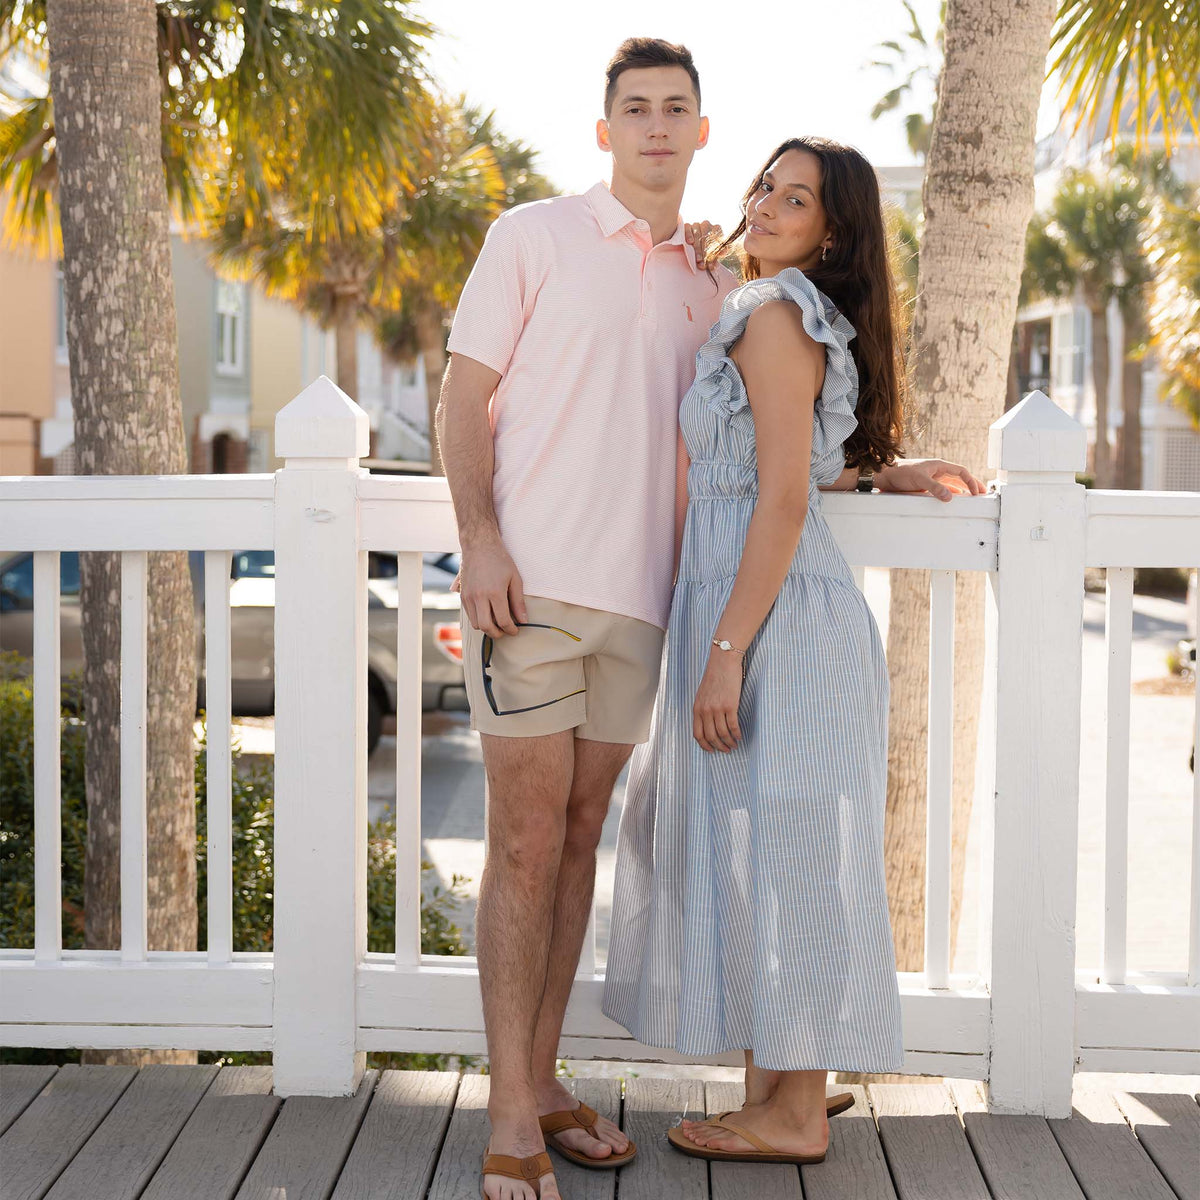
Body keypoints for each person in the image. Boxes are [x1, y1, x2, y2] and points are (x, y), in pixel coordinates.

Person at [439, 39, 981, 1199]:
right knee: (525, 845)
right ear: (604, 130)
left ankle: (545, 1083)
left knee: (582, 843)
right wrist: (479, 536)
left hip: (654, 605)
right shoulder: (533, 235)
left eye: (674, 109)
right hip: (528, 591)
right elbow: (462, 396)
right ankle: (512, 1118)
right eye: (632, 107)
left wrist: (873, 470)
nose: (652, 126)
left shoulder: (712, 287)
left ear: (698, 131)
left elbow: (769, 460)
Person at [601, 136, 984, 1168]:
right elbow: (794, 475)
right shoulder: (770, 309)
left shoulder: (776, 319)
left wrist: (726, 651)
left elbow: (775, 499)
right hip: (762, 605)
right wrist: (879, 476)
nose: (767, 203)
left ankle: (796, 1111)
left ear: (832, 231)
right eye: (767, 185)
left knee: (798, 853)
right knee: (770, 850)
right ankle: (780, 1092)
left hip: (774, 624)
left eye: (797, 197)